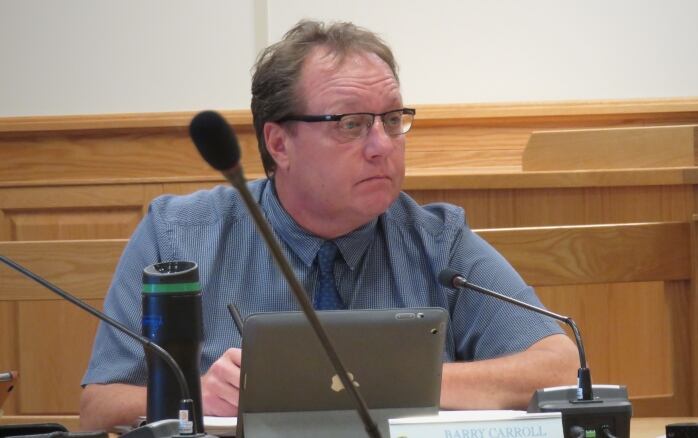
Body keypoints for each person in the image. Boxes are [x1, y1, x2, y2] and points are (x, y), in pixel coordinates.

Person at [80, 20, 578, 430]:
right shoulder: (177, 235)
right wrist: (192, 400)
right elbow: (99, 407)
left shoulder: (439, 241)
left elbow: (559, 365)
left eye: (391, 119)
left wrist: (390, 384)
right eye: (351, 124)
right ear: (279, 145)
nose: (382, 145)